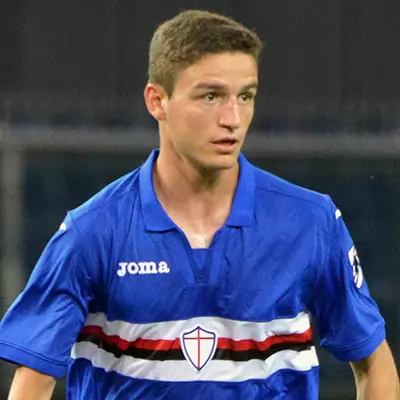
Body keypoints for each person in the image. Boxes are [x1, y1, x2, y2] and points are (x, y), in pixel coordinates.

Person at [0, 9, 398, 400]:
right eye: (211, 96)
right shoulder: (93, 232)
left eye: (246, 96)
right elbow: (33, 384)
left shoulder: (310, 222)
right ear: (157, 101)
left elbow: (374, 363)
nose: (233, 118)